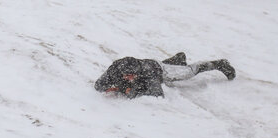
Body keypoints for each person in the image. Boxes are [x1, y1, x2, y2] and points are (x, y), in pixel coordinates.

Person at [94, 52, 236, 98]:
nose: (130, 78)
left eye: (133, 75)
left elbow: (157, 94)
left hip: (159, 69)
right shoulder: (114, 69)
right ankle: (178, 59)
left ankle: (219, 64)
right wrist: (120, 87)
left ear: (137, 72)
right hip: (149, 67)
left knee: (189, 72)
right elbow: (99, 85)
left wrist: (128, 90)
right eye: (127, 75)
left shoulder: (149, 73)